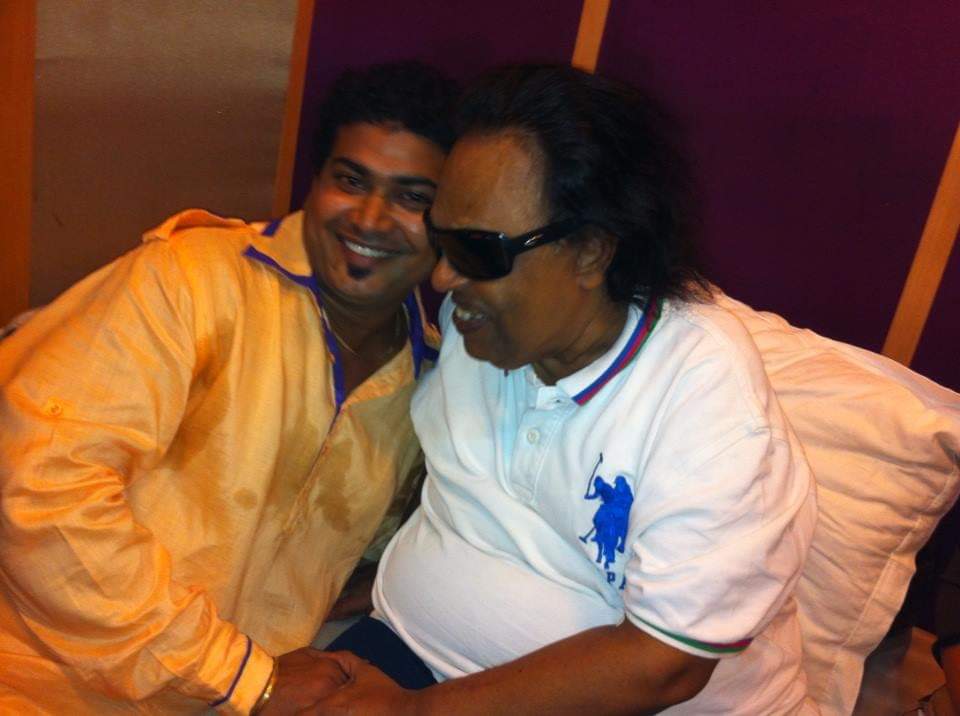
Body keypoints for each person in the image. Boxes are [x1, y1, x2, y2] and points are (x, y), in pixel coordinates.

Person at [317, 64, 819, 714]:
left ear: (590, 253)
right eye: (442, 241)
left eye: (477, 251)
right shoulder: (483, 330)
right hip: (407, 651)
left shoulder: (704, 402)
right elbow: (462, 492)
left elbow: (664, 666)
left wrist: (412, 712)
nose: (442, 279)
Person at [0, 61, 455, 713]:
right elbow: (41, 484)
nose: (372, 218)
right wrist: (240, 676)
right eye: (351, 180)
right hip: (41, 680)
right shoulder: (193, 280)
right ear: (315, 182)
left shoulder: (428, 382)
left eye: (413, 198)